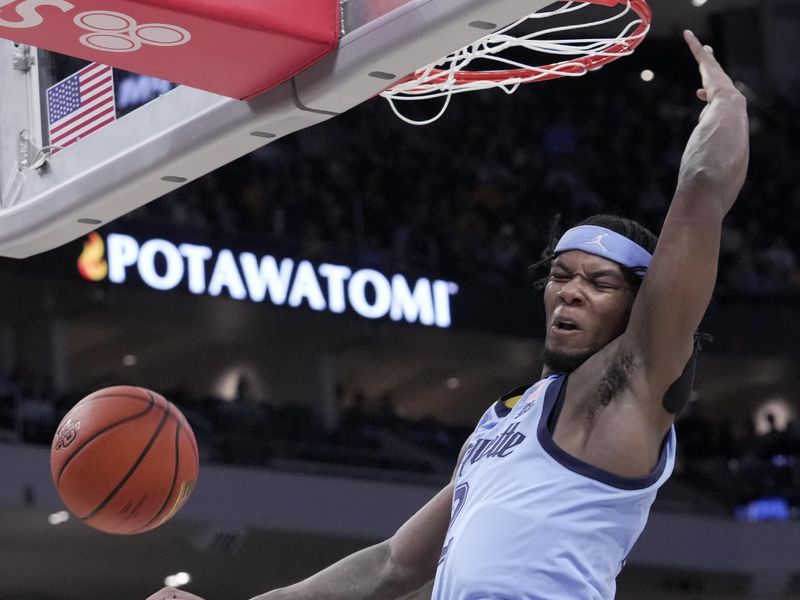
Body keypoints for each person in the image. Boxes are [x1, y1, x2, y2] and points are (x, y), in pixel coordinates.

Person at [149, 30, 749, 600]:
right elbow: (392, 566)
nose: (569, 293)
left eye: (598, 283)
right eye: (561, 276)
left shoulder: (633, 385)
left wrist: (728, 105)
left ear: (638, 306)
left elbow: (700, 190)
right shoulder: (500, 423)